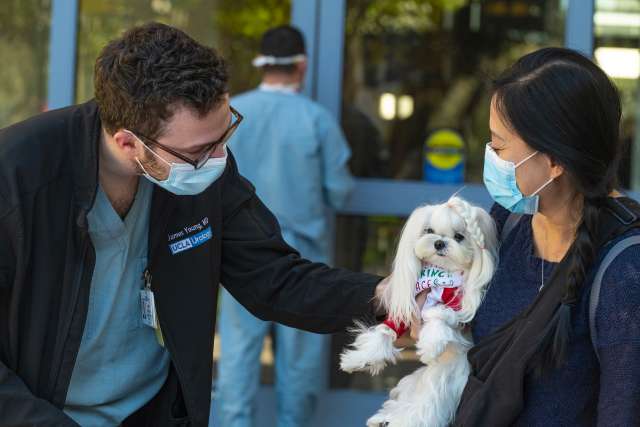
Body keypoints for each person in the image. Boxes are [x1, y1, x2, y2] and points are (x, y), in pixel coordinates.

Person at [0, 22, 386, 427]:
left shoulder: (203, 164)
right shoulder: (17, 178)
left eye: (224, 135)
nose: (218, 158)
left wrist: (381, 297)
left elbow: (275, 278)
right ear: (129, 143)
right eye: (200, 150)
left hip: (154, 410)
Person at [450, 47, 640, 425]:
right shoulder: (508, 222)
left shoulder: (625, 269)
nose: (490, 155)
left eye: (500, 145)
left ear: (553, 162)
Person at [215, 25, 354, 427]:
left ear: (262, 63)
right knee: (299, 369)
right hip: (302, 259)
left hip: (238, 256)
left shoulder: (231, 115)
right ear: (302, 65)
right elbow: (340, 193)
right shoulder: (317, 120)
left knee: (238, 362)